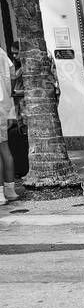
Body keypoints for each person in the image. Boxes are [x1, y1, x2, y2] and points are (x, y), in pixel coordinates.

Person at [0, 46, 19, 203]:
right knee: (4, 148)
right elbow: (12, 74)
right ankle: (10, 190)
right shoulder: (1, 52)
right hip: (3, 105)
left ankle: (0, 194)